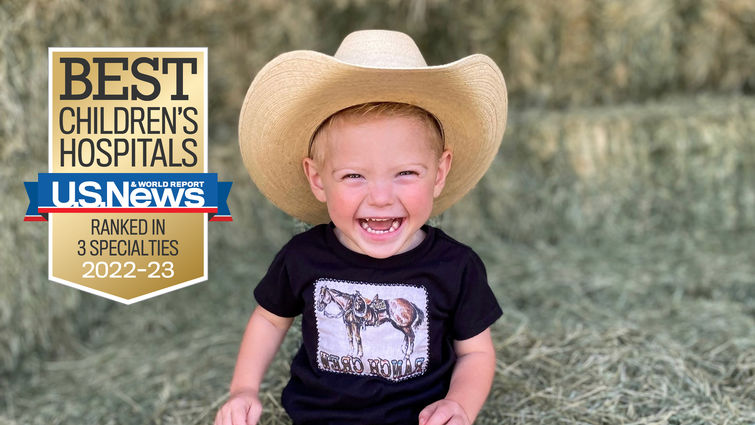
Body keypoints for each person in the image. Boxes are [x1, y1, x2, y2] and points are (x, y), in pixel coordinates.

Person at [216, 29, 507, 425]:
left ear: (439, 174)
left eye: (405, 172)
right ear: (318, 179)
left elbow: (475, 352)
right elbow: (269, 319)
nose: (381, 197)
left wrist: (459, 404)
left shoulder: (456, 266)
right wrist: (243, 389)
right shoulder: (302, 257)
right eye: (354, 176)